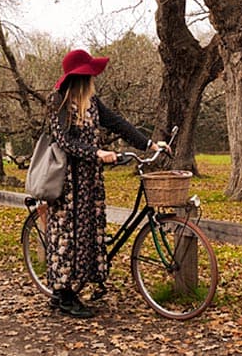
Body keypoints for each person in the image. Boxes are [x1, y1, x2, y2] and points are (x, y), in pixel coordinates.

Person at [45, 49, 160, 318]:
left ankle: (71, 289)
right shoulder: (58, 101)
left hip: (90, 182)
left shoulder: (92, 103)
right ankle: (63, 295)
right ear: (79, 78)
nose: (92, 80)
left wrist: (149, 144)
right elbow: (64, 141)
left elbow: (118, 123)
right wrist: (96, 152)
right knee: (68, 236)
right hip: (68, 183)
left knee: (87, 233)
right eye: (89, 76)